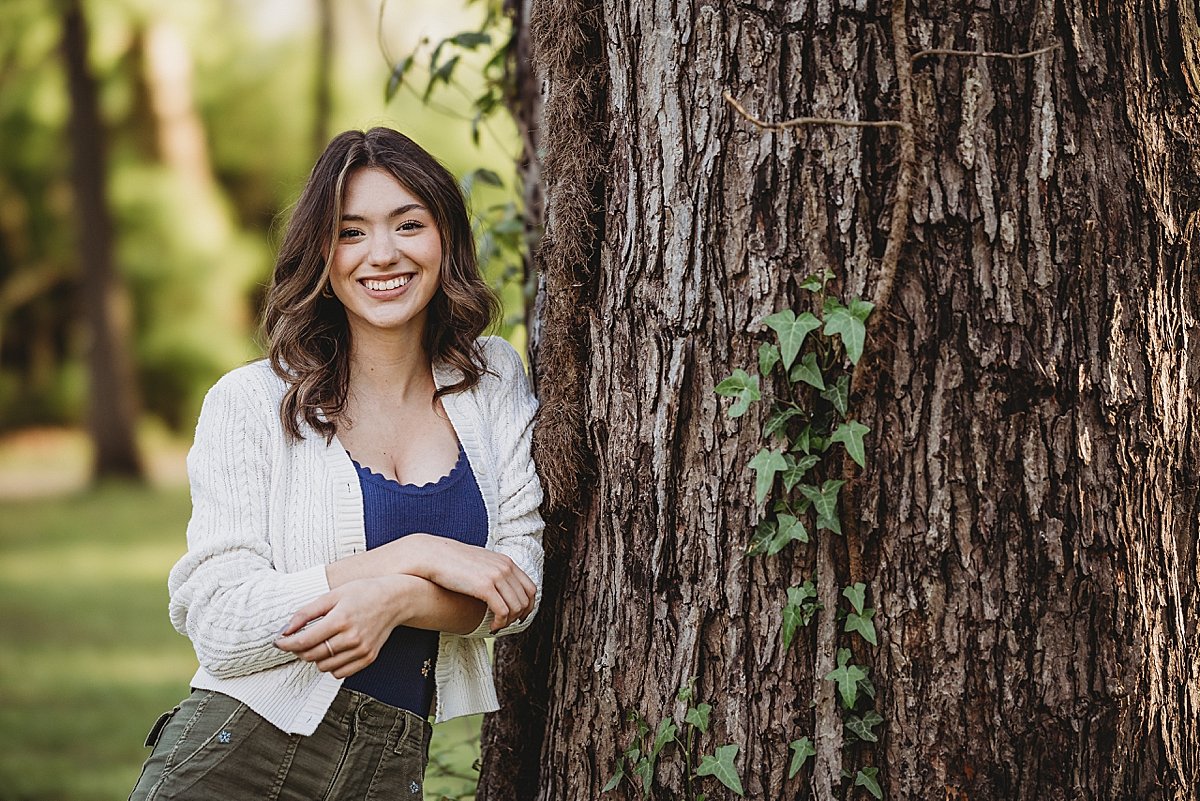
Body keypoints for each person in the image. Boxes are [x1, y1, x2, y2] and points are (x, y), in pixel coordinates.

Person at [129, 127, 544, 800]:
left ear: (445, 237)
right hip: (238, 754)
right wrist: (416, 551)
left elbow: (517, 584)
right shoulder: (252, 399)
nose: (382, 253)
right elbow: (219, 621)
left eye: (408, 223)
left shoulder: (492, 377)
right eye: (351, 232)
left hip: (387, 763)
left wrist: (399, 596)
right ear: (322, 253)